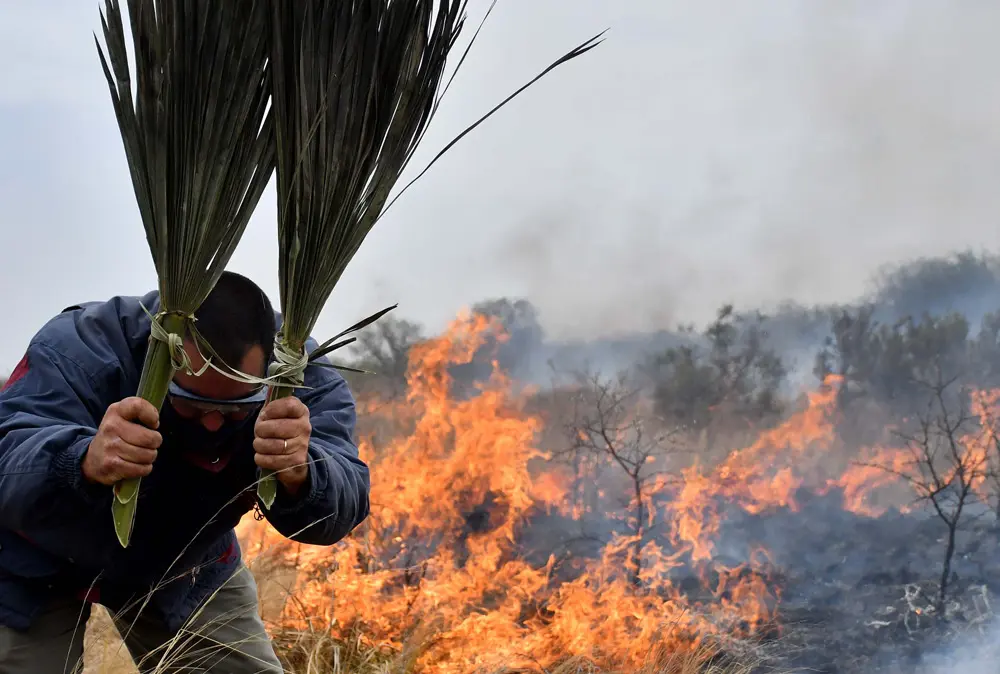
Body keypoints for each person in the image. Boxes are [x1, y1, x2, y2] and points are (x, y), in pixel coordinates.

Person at [0, 271, 371, 673]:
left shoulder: (298, 372)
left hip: (182, 565)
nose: (212, 424)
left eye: (234, 410)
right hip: (30, 565)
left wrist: (304, 473)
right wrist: (80, 461)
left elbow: (346, 500)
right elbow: (8, 456)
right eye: (192, 404)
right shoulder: (80, 347)